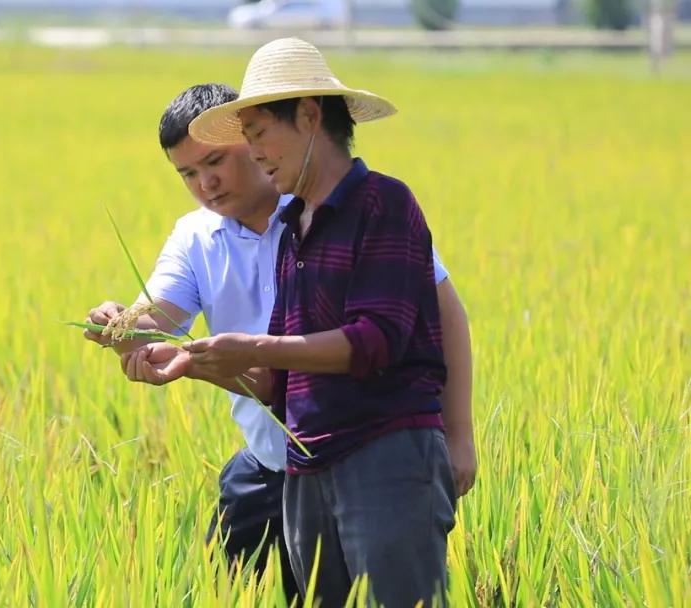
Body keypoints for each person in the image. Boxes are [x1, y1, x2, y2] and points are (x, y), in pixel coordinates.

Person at [87, 68, 475, 605]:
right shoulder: (200, 235)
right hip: (281, 462)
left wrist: (459, 436)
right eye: (188, 174)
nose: (206, 184)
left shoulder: (350, 209)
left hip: (372, 453)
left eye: (217, 161)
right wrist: (120, 328)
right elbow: (162, 321)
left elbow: (425, 322)